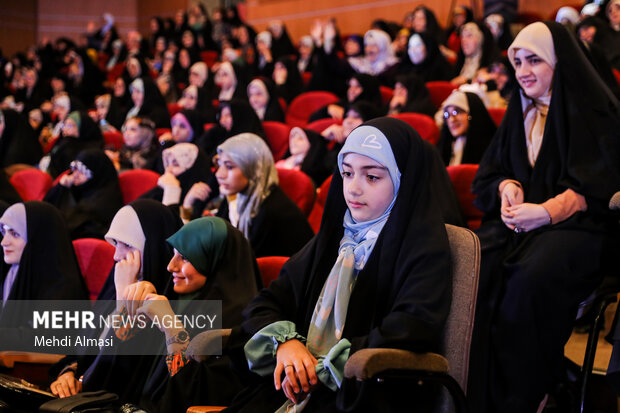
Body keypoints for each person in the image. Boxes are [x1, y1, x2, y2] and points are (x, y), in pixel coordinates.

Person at [226, 117, 452, 412]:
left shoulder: (423, 245)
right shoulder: (334, 239)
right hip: (296, 386)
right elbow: (267, 302)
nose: (353, 189)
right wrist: (287, 344)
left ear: (402, 180)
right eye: (346, 173)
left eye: (372, 177)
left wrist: (321, 367)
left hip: (366, 392)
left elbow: (410, 328)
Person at [468, 21, 620, 413]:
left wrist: (549, 211)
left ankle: (528, 396)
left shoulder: (591, 109)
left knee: (529, 277)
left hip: (580, 227)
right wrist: (507, 187)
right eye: (517, 62)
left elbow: (603, 185)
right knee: (474, 263)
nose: (523, 72)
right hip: (522, 225)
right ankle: (476, 392)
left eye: (534, 60)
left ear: (559, 62)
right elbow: (489, 173)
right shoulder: (519, 109)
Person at [50, 199, 182, 401]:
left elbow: (119, 372)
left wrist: (124, 297)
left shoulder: (165, 301)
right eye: (115, 244)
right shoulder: (115, 285)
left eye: (127, 245)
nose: (116, 256)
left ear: (154, 246)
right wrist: (68, 374)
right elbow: (82, 351)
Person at [212, 133, 314, 258]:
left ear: (254, 169)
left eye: (229, 166)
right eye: (219, 164)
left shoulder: (270, 212)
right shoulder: (241, 196)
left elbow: (250, 266)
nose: (219, 174)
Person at [0, 201, 88, 326]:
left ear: (38, 239)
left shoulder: (63, 291)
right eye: (4, 232)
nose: (4, 242)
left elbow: (38, 339)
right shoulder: (12, 272)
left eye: (15, 234)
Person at [44, 149, 123, 240]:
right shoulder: (77, 186)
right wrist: (60, 187)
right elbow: (46, 205)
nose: (75, 175)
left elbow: (70, 224)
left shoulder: (104, 200)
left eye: (82, 171)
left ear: (95, 174)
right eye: (75, 169)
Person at [435, 90, 497, 166]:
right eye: (447, 114)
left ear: (472, 113)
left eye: (456, 112)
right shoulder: (444, 147)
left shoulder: (493, 149)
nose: (452, 120)